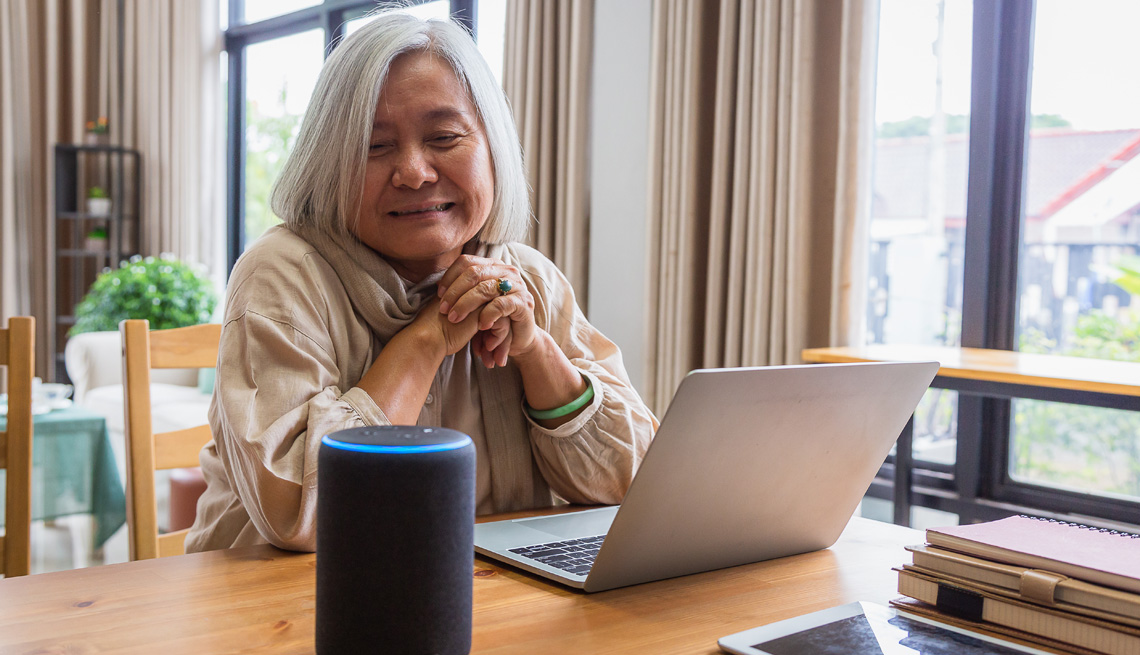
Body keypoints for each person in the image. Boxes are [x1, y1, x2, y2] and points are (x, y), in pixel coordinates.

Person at [186, 12, 657, 552]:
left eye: (444, 136)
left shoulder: (524, 277)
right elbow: (307, 516)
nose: (413, 171)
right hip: (278, 614)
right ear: (326, 162)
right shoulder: (284, 275)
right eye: (374, 146)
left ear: (492, 147)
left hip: (486, 602)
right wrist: (431, 335)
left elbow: (633, 484)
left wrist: (535, 352)